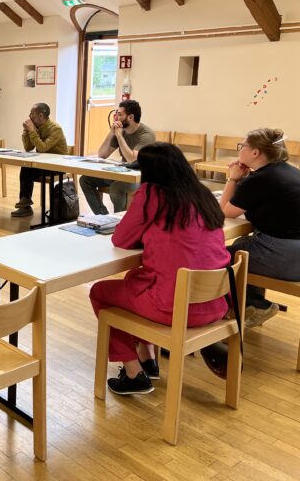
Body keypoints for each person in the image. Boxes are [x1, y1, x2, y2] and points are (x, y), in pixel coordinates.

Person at [90, 143, 230, 395]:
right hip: (216, 305)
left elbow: (121, 239)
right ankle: (148, 357)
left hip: (175, 308)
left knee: (101, 292)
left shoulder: (151, 194)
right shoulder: (203, 195)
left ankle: (133, 373)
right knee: (135, 279)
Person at [218, 128, 300, 328]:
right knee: (241, 243)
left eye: (242, 146)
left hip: (283, 255)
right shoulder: (290, 171)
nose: (240, 149)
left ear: (255, 152)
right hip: (294, 252)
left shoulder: (260, 179)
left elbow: (224, 211)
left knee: (217, 258)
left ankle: (253, 306)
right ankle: (251, 304)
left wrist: (233, 178)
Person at [80, 99, 155, 214]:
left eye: (119, 114)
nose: (116, 118)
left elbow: (132, 160)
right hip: (122, 173)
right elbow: (102, 154)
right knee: (85, 180)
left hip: (140, 177)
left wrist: (119, 136)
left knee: (116, 187)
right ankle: (103, 216)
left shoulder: (146, 134)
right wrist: (111, 133)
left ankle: (118, 220)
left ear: (130, 117)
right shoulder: (121, 131)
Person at [10, 103, 68, 217]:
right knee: (26, 166)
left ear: (40, 116)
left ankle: (26, 202)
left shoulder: (55, 129)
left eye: (32, 113)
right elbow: (28, 147)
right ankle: (25, 203)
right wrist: (26, 131)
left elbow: (42, 148)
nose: (29, 116)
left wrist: (32, 131)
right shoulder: (37, 127)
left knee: (28, 169)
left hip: (58, 165)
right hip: (44, 163)